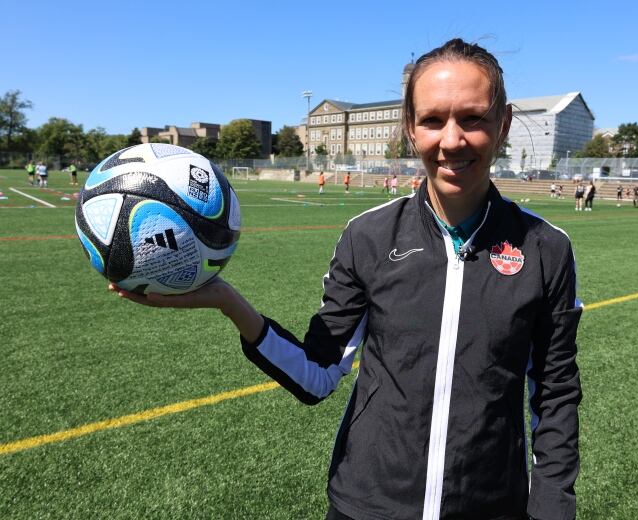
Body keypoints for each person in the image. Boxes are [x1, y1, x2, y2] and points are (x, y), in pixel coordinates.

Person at [110, 38, 582, 520]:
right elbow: (317, 375)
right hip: (367, 505)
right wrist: (229, 303)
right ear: (410, 128)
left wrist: (551, 509)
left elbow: (556, 394)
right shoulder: (370, 237)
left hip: (490, 506)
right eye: (433, 120)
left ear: (502, 125)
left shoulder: (545, 249)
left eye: (473, 118)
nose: (452, 140)